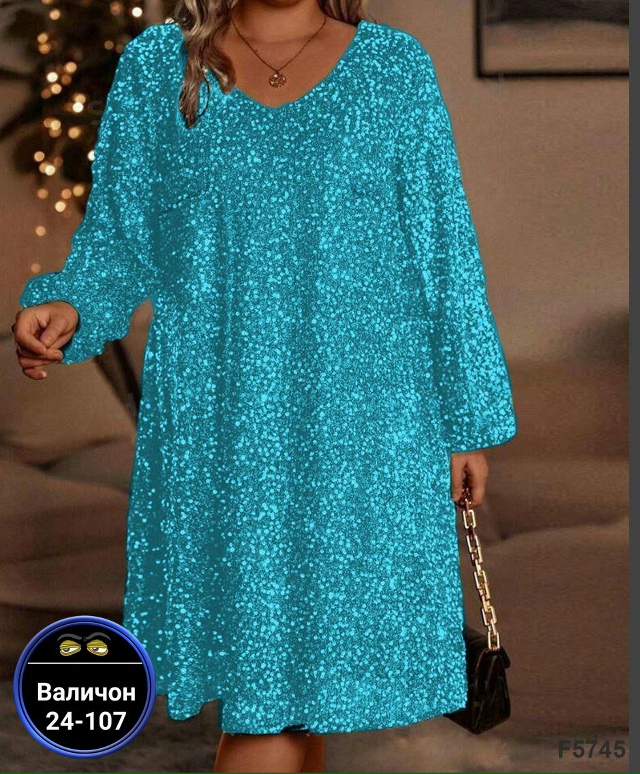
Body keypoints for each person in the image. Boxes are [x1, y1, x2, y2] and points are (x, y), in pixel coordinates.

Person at [12, 0, 518, 771]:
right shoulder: (159, 66)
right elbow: (119, 239)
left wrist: (467, 419)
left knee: (295, 700)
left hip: (364, 419)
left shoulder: (392, 68)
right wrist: (72, 304)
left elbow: (443, 251)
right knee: (267, 697)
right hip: (220, 423)